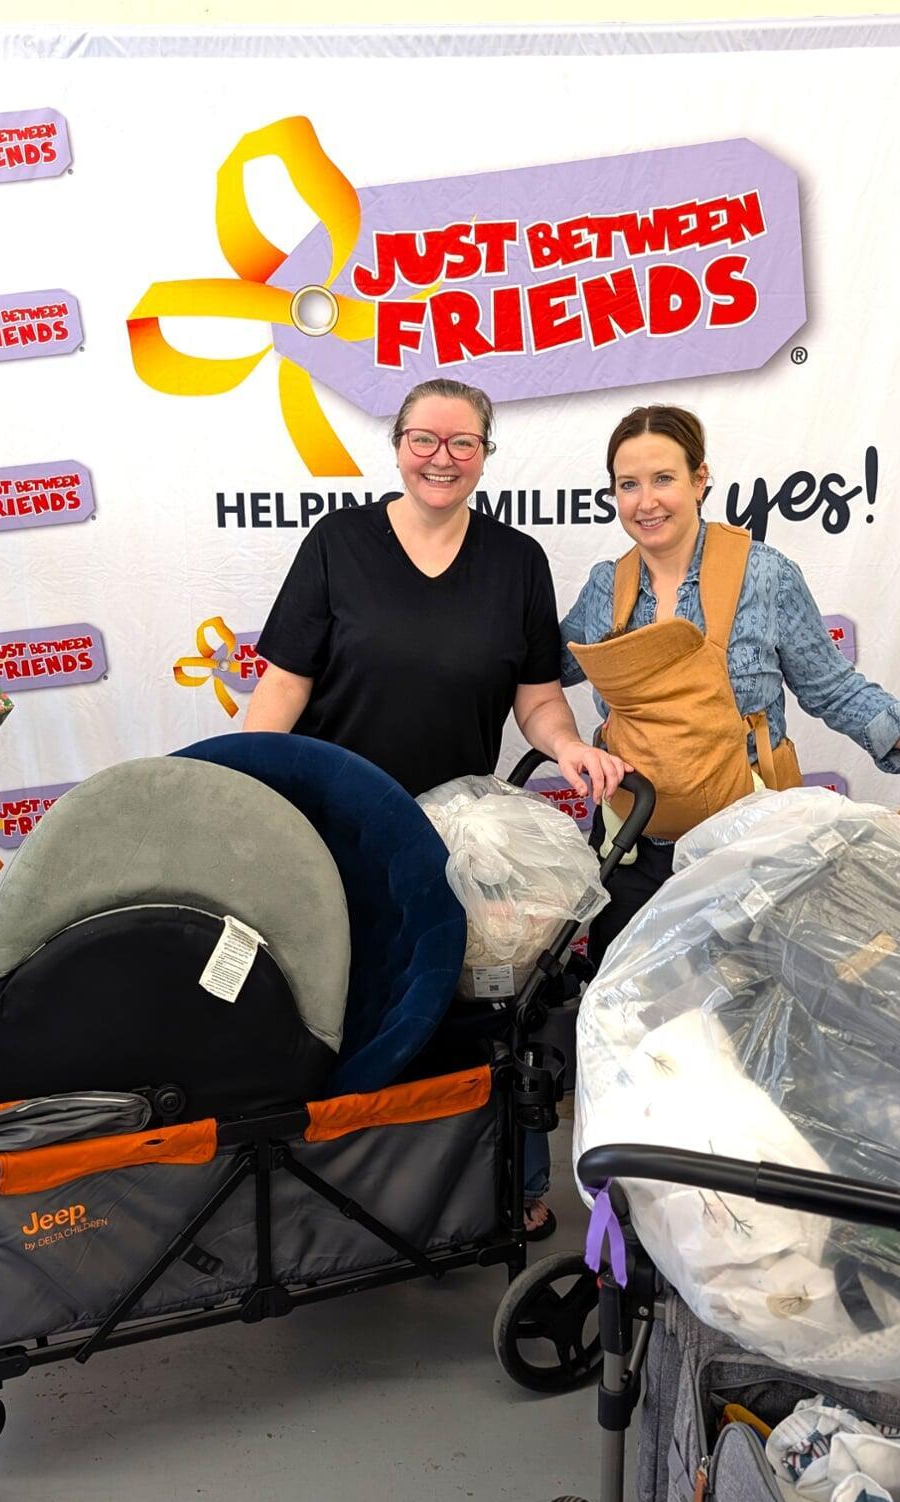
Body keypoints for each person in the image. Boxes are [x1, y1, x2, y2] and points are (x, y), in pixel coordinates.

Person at [247, 378, 623, 1237]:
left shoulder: (517, 561)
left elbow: (536, 698)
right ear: (398, 445)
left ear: (486, 453)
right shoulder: (339, 544)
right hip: (332, 823)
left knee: (472, 1013)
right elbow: (283, 684)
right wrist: (242, 786)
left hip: (453, 837)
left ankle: (497, 1189)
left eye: (462, 444)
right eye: (425, 440)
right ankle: (344, 1199)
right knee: (343, 1010)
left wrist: (566, 746)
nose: (441, 459)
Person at [561, 403, 900, 973]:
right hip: (632, 849)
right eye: (628, 484)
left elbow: (834, 689)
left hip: (750, 853)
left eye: (664, 479)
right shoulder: (604, 586)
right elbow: (541, 670)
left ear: (700, 479)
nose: (645, 501)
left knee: (747, 1021)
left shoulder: (766, 576)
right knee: (625, 1021)